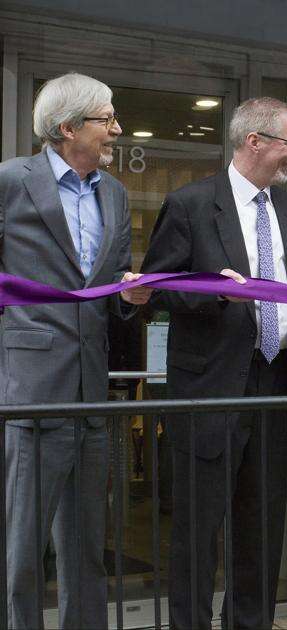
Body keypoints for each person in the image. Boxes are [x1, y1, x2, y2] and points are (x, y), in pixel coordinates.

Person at [141, 97, 287, 630]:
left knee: (261, 529)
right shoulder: (190, 204)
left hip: (275, 382)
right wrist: (215, 294)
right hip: (210, 390)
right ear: (254, 141)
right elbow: (156, 288)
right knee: (197, 532)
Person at [0, 72, 151, 629]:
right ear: (67, 128)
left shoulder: (114, 192)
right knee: (22, 551)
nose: (117, 129)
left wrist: (131, 295)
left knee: (88, 548)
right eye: (106, 119)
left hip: (92, 394)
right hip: (33, 393)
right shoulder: (10, 180)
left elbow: (110, 288)